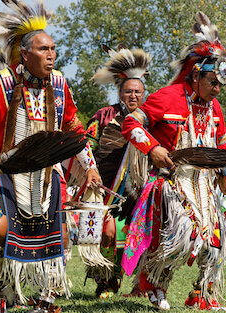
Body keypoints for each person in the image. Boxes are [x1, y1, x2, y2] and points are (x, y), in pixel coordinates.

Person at [0, 0, 100, 313]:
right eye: (44, 49)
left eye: (54, 49)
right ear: (25, 52)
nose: (51, 55)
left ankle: (44, 307)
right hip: (2, 172)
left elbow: (74, 129)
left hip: (47, 175)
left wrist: (88, 166)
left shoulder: (59, 87)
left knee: (61, 236)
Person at [120, 12, 226, 311]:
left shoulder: (215, 109)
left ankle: (202, 295)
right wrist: (152, 148)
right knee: (182, 236)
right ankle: (153, 284)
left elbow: (222, 143)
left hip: (204, 183)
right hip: (171, 183)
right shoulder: (168, 97)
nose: (217, 90)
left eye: (220, 85)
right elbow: (131, 124)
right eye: (213, 82)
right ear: (197, 75)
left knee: (215, 243)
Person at [84, 44, 151, 299]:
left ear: (143, 95)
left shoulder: (150, 119)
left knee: (141, 235)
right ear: (120, 92)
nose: (132, 96)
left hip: (142, 186)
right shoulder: (104, 115)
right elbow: (86, 145)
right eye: (128, 91)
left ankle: (140, 284)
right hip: (107, 186)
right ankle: (106, 280)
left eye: (137, 92)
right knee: (108, 234)